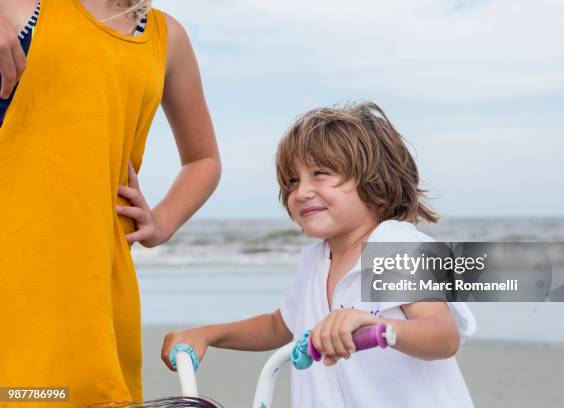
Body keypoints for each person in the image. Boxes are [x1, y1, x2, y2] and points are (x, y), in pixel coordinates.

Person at [162, 102, 476, 407]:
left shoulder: (394, 244)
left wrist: (377, 328)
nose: (301, 192)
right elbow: (278, 327)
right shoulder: (316, 259)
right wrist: (207, 334)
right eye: (292, 181)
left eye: (320, 173)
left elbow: (441, 334)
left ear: (375, 180)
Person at [0, 0, 221, 406]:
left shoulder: (166, 38)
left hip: (99, 290)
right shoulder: (23, 7)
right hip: (14, 279)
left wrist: (162, 221)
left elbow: (204, 159)